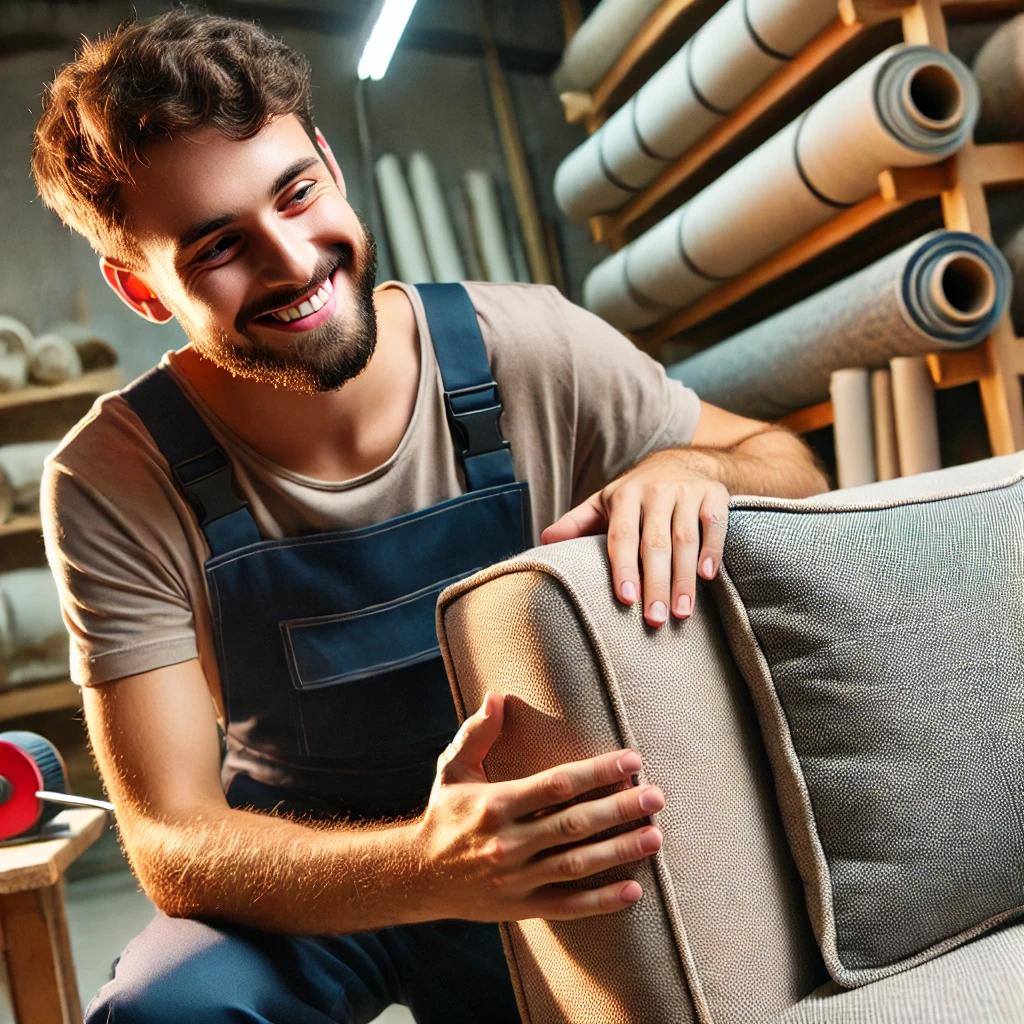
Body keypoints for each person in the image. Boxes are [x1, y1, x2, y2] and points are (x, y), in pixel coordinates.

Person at [31, 10, 828, 1023]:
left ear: (329, 161)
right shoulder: (113, 479)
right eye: (220, 244)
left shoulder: (526, 343)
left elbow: (787, 463)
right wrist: (428, 865)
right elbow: (174, 842)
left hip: (562, 834)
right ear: (141, 288)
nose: (293, 261)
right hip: (313, 867)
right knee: (169, 1014)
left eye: (296, 192)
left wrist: (695, 469)